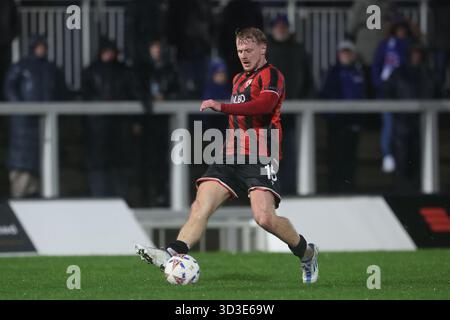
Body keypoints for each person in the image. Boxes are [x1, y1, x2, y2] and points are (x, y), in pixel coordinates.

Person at [136, 28, 319, 284]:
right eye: (240, 51)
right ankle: (172, 254)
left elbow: (264, 105)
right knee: (201, 205)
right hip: (230, 154)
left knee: (264, 218)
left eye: (248, 50)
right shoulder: (237, 79)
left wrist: (222, 106)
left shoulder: (272, 76)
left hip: (260, 153)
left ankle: (306, 253)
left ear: (263, 49)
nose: (243, 55)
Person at [4, 35, 67, 198]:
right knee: (22, 168)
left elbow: (61, 91)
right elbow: (9, 88)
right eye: (38, 46)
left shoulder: (52, 69)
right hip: (23, 124)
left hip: (46, 122)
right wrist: (22, 108)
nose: (41, 49)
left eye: (43, 46)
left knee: (44, 165)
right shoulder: (20, 67)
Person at [82, 38, 141, 198]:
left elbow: (133, 94)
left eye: (111, 51)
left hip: (120, 126)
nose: (109, 54)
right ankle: (99, 196)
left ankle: (120, 197)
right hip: (98, 127)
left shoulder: (124, 72)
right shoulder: (91, 71)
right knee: (99, 164)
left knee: (119, 164)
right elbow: (86, 96)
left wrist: (135, 120)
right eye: (106, 51)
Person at [266, 13, 315, 194]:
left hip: (294, 114)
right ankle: (270, 190)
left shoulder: (299, 50)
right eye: (277, 25)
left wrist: (306, 103)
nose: (281, 29)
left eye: (284, 26)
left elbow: (309, 81)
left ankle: (289, 191)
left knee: (293, 154)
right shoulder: (263, 52)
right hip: (269, 115)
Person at [384, 45, 436, 192]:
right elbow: (387, 91)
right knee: (402, 156)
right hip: (402, 121)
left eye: (418, 53)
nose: (416, 57)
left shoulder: (427, 73)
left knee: (420, 156)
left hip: (422, 121)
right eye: (413, 53)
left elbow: (436, 92)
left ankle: (419, 189)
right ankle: (401, 190)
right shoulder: (399, 73)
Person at [320, 40, 368, 193]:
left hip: (353, 122)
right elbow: (325, 94)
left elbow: (364, 95)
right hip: (336, 122)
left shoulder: (360, 72)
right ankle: (334, 187)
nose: (345, 55)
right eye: (342, 52)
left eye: (347, 52)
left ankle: (348, 187)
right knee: (335, 157)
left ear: (353, 54)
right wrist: (330, 115)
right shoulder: (333, 72)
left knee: (350, 157)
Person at [372, 18, 414, 174]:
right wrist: (379, 84)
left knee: (402, 128)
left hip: (404, 93)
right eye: (399, 29)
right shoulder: (385, 45)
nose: (401, 32)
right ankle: (388, 155)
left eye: (404, 29)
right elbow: (376, 65)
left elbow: (411, 67)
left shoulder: (409, 45)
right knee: (388, 125)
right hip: (386, 92)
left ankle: (401, 162)